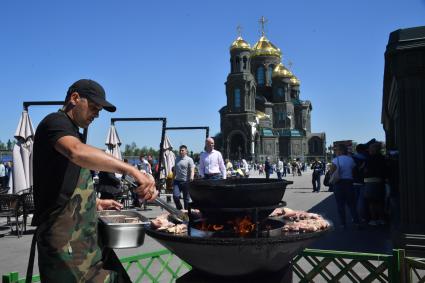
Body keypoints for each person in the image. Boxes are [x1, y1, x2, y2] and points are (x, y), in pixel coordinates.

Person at [30, 79, 157, 282]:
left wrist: (94, 202)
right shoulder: (55, 122)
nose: (97, 114)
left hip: (87, 241)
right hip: (65, 243)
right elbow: (76, 152)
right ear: (74, 98)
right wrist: (133, 170)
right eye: (94, 107)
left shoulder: (72, 132)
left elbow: (64, 183)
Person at [330, 143, 359, 229]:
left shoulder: (336, 160)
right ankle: (356, 222)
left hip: (339, 183)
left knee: (340, 204)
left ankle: (343, 224)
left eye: (337, 150)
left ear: (341, 151)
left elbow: (331, 172)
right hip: (349, 183)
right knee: (352, 204)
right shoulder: (351, 160)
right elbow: (354, 170)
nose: (335, 151)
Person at [363, 142, 387, 226]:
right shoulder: (383, 158)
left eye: (369, 149)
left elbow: (364, 170)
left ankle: (373, 219)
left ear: (373, 150)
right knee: (380, 202)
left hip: (369, 182)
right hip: (380, 181)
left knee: (371, 202)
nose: (368, 150)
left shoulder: (368, 159)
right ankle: (382, 219)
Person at [173, 145, 195, 210]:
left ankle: (186, 214)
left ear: (186, 151)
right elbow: (175, 170)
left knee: (186, 200)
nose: (181, 151)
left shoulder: (189, 159)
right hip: (177, 181)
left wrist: (192, 177)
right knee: (175, 196)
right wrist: (172, 179)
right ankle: (180, 210)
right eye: (180, 150)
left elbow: (192, 169)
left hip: (186, 182)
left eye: (182, 150)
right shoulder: (177, 159)